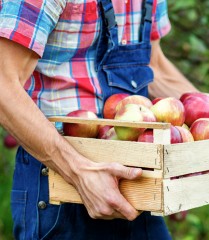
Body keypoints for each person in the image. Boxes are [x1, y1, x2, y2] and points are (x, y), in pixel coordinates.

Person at [0, 0, 197, 238]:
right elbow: (3, 85)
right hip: (60, 182)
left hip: (137, 177)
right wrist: (80, 174)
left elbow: (153, 65)